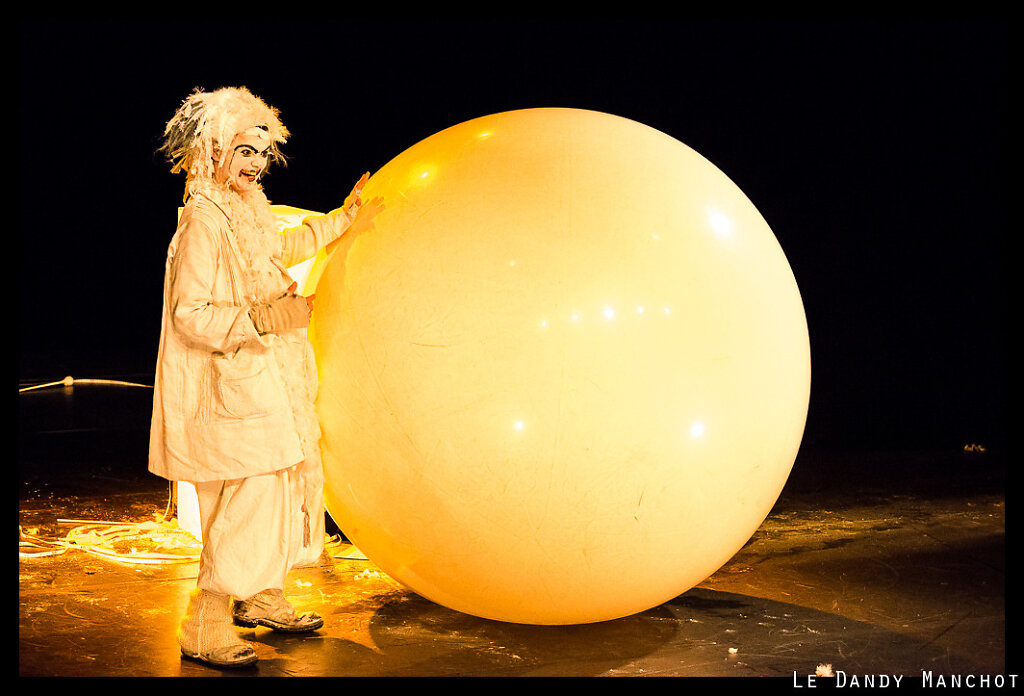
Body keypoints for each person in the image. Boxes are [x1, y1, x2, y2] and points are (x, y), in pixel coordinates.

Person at [149, 86, 382, 668]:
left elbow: (276, 250)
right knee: (247, 500)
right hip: (226, 388)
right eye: (241, 152)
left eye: (259, 152)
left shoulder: (243, 211)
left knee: (279, 486)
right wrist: (267, 317)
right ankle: (203, 623)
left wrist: (342, 219)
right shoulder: (204, 222)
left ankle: (260, 597)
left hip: (259, 380)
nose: (253, 165)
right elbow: (190, 314)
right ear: (212, 154)